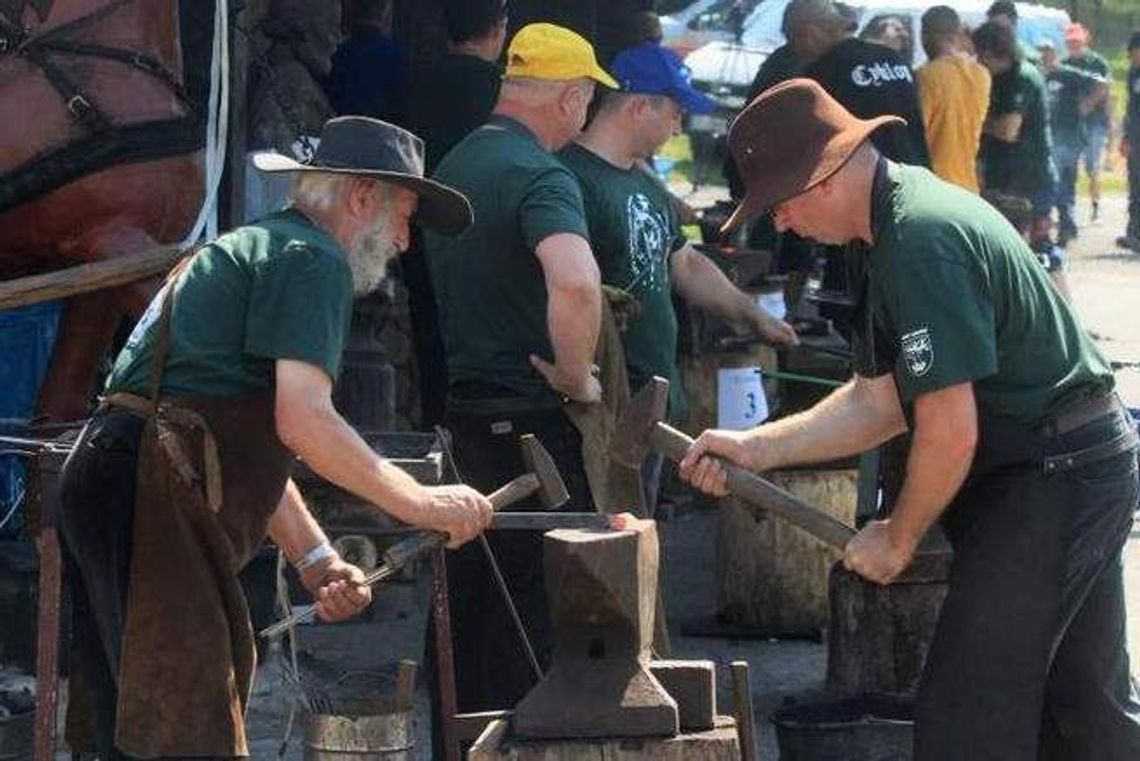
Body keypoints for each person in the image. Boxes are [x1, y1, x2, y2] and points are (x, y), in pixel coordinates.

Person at [680, 77, 1140, 760]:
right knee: (1084, 710)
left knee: (968, 716)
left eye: (779, 204)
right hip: (1060, 463)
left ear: (824, 173)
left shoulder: (922, 238)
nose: (779, 223)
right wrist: (755, 447)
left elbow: (951, 428)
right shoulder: (882, 233)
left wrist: (899, 535)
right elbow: (878, 401)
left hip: (1055, 472)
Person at [59, 117, 494, 759]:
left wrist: (316, 559)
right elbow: (305, 421)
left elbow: (253, 444)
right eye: (404, 215)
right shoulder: (311, 258)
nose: (404, 240)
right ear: (361, 197)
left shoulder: (266, 246)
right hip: (146, 485)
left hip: (123, 474)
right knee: (182, 727)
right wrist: (420, 503)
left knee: (144, 724)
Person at [423, 22, 615, 714]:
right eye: (589, 101)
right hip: (534, 425)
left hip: (465, 418)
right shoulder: (541, 174)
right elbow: (576, 282)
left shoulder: (456, 164)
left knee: (468, 611)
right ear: (569, 97)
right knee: (542, 618)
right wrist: (575, 373)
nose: (587, 115)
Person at [560, 41, 797, 503]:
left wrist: (753, 316)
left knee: (640, 526)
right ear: (639, 106)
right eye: (674, 111)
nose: (678, 125)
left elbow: (684, 262)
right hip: (603, 398)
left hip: (651, 398)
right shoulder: (570, 179)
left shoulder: (643, 184)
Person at [401, 0, 508, 428]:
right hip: (486, 232)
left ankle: (436, 428)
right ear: (499, 29)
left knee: (429, 336)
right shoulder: (502, 92)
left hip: (420, 224)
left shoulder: (415, 83)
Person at [974, 21, 1057, 262]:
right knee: (1003, 251)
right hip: (1005, 174)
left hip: (1029, 177)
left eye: (977, 53)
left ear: (988, 53)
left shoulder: (1022, 77)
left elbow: (1008, 130)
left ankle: (1056, 299)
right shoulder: (996, 77)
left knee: (1038, 252)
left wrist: (972, 120)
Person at [1038, 38, 1107, 252]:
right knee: (1057, 183)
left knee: (1062, 181)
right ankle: (1066, 224)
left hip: (1070, 135)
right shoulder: (1036, 75)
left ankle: (1064, 226)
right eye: (1042, 52)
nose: (1045, 55)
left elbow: (1099, 82)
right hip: (1047, 136)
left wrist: (1087, 105)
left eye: (1049, 51)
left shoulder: (1066, 73)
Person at [916, 6, 991, 193]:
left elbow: (916, 133)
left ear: (924, 35)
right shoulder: (981, 74)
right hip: (968, 186)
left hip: (934, 187)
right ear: (957, 34)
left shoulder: (927, 76)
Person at [325, 0, 408, 122]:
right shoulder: (396, 54)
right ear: (383, 12)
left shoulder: (343, 54)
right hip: (382, 131)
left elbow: (334, 96)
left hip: (344, 128)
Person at [1063, 22, 1113, 222]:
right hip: (1072, 124)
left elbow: (1103, 87)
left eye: (1077, 41)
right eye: (1070, 42)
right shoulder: (1065, 62)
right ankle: (1069, 209)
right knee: (1069, 166)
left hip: (1095, 123)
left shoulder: (1097, 63)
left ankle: (1095, 207)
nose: (1073, 45)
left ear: (1085, 40)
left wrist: (1088, 104)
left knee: (1093, 165)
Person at [1120, 31, 1140, 252]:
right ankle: (1134, 232)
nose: (1131, 57)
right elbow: (1130, 108)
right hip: (1136, 138)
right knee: (1135, 186)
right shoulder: (1133, 74)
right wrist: (1126, 136)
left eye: (1133, 53)